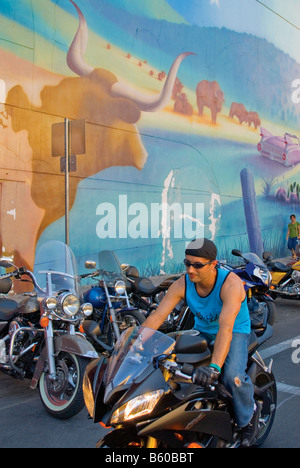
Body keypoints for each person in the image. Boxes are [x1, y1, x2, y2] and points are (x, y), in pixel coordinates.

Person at [143, 238, 261, 447]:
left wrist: (215, 368)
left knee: (232, 376)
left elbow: (225, 329)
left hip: (234, 332)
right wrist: (134, 347)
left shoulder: (230, 284)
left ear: (213, 264)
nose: (190, 269)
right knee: (169, 363)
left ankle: (248, 416)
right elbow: (157, 317)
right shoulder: (183, 283)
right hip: (202, 332)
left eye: (197, 265)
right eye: (187, 263)